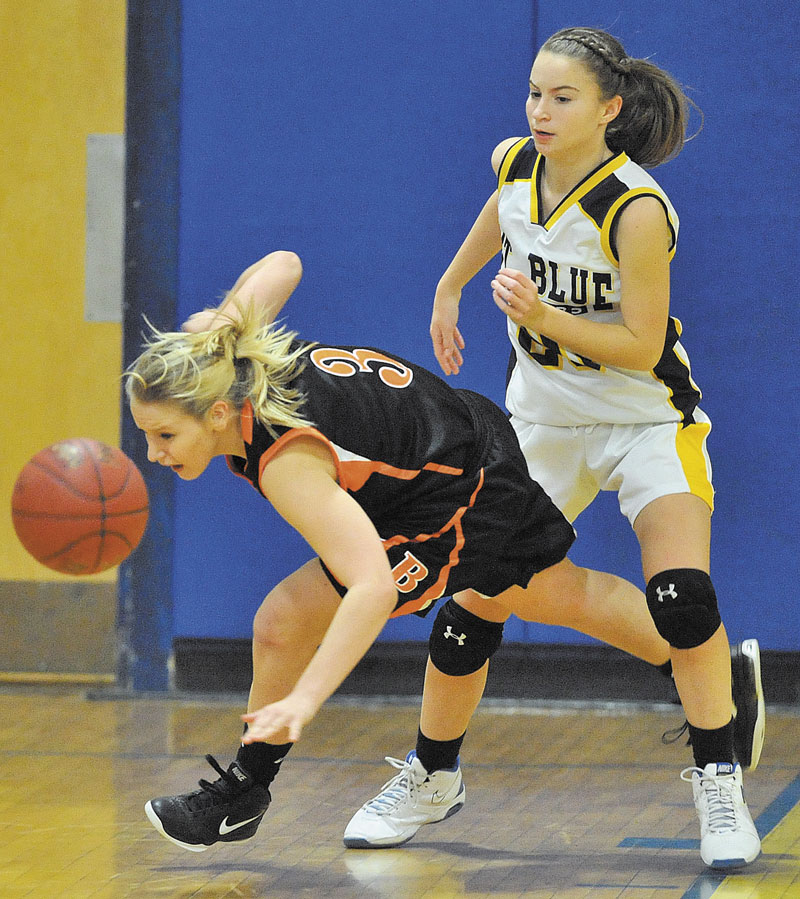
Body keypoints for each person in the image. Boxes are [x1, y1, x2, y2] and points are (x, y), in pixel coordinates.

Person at [129, 249, 713, 856]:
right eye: (147, 435)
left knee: (550, 598)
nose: (154, 454)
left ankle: (703, 671)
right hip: (438, 450)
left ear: (218, 412)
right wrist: (224, 320)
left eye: (166, 435)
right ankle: (698, 669)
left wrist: (304, 700)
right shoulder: (225, 358)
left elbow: (373, 588)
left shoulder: (286, 461)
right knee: (553, 596)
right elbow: (285, 263)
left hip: (458, 490)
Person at [345, 27, 763, 870]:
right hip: (540, 424)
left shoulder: (635, 207)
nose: (539, 110)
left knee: (682, 593)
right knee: (473, 599)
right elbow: (499, 214)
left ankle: (718, 774)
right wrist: (450, 285)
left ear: (609, 109)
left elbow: (642, 345)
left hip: (647, 420)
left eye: (561, 97)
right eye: (534, 92)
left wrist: (543, 318)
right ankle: (432, 776)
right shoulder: (515, 163)